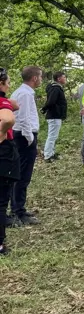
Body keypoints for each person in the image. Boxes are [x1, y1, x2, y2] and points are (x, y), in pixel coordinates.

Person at [9, 66, 42, 227]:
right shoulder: (25, 94)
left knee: (22, 174)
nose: (41, 80)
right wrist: (30, 138)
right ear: (34, 78)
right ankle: (17, 211)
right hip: (23, 137)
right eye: (40, 77)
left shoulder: (24, 92)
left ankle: (18, 207)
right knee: (22, 174)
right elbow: (23, 118)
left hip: (23, 136)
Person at [0, 68, 19, 254]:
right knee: (1, 200)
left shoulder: (5, 101)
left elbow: (15, 105)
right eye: (7, 82)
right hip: (4, 152)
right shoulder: (2, 103)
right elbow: (8, 118)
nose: (9, 85)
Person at [41, 71, 68, 162]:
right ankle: (47, 156)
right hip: (54, 115)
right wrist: (44, 108)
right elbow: (51, 101)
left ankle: (51, 153)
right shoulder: (55, 88)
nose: (65, 79)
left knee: (53, 136)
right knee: (52, 136)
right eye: (64, 77)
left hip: (56, 115)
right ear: (59, 79)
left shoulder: (56, 88)